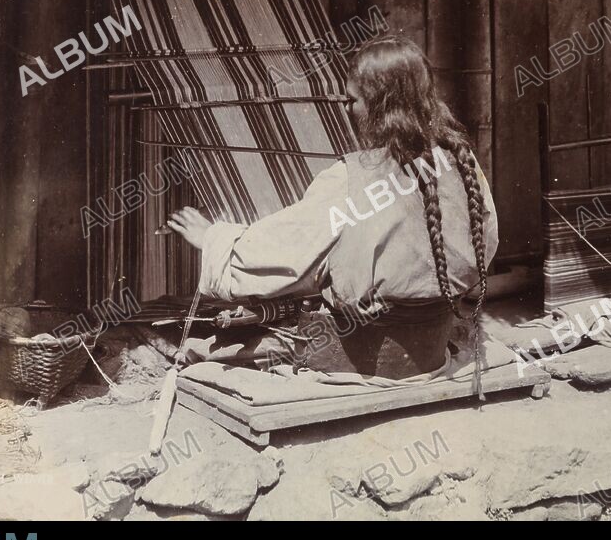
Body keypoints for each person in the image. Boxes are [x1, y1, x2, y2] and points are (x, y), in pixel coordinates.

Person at [167, 35, 498, 376]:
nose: (346, 108)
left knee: (215, 348)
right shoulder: (460, 162)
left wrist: (214, 238)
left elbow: (281, 255)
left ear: (380, 106)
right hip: (432, 351)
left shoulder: (348, 180)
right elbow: (482, 246)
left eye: (352, 99)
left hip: (364, 362)